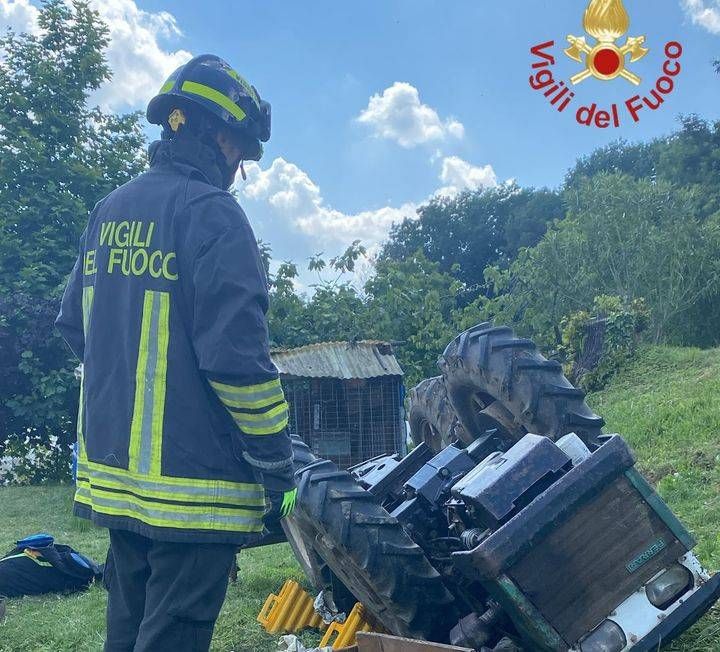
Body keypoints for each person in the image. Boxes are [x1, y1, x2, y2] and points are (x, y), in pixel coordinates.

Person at [56, 54, 297, 652]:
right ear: (219, 135)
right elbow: (238, 365)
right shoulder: (213, 216)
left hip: (118, 484)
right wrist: (276, 464)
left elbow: (75, 326)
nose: (238, 167)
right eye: (240, 151)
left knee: (128, 629)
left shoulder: (109, 210)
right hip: (196, 491)